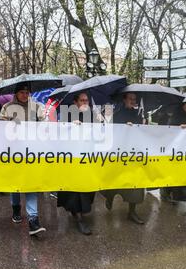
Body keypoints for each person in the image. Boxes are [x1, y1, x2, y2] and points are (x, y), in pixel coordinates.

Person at [0, 83, 46, 236]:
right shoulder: (7, 107)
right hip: (13, 152)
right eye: (22, 92)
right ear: (16, 93)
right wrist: (9, 125)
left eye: (27, 92)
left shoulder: (38, 107)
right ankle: (16, 207)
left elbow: (45, 125)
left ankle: (33, 219)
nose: (25, 95)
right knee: (15, 183)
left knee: (30, 183)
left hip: (32, 151)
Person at [100, 92, 146, 224]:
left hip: (133, 155)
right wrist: (124, 126)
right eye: (130, 98)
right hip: (119, 154)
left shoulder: (138, 113)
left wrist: (141, 125)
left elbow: (141, 132)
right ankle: (109, 196)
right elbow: (108, 129)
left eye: (134, 99)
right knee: (115, 181)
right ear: (124, 99)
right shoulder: (116, 111)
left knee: (135, 183)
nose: (133, 101)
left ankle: (132, 212)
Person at [57, 92, 96, 235]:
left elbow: (102, 132)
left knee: (88, 189)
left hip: (88, 158)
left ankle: (79, 212)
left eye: (87, 100)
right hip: (72, 160)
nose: (85, 103)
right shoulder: (67, 115)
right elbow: (59, 134)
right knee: (75, 190)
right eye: (82, 100)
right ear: (75, 102)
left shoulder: (92, 115)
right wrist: (70, 126)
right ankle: (78, 217)